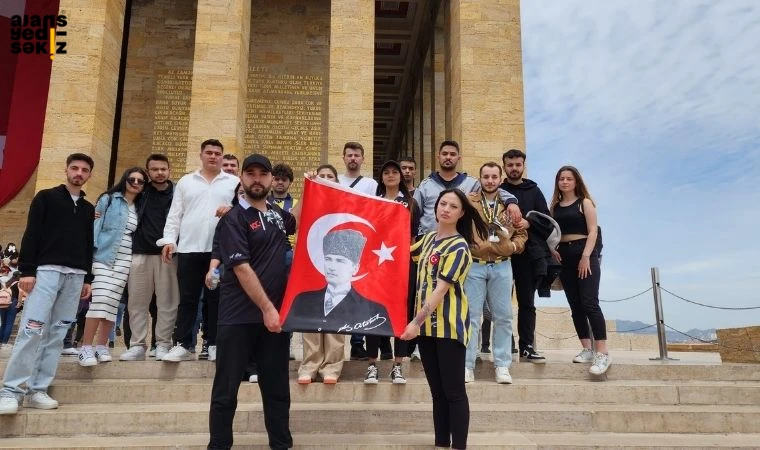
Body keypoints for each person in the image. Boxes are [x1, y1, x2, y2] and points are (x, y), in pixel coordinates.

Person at [208, 154, 294, 450]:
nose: (257, 179)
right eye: (251, 173)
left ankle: (281, 445)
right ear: (241, 178)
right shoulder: (233, 218)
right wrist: (268, 308)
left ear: (272, 179)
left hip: (275, 322)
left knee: (277, 391)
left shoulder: (276, 214)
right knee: (225, 391)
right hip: (238, 318)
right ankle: (219, 445)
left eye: (263, 174)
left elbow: (305, 220)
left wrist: (317, 185)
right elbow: (242, 268)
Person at [0, 153, 95, 415]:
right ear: (66, 170)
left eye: (84, 170)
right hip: (45, 273)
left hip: (75, 276)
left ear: (89, 175)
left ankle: (38, 389)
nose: (78, 173)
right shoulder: (46, 197)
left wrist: (87, 277)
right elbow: (31, 233)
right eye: (74, 168)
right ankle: (10, 391)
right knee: (31, 330)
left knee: (57, 334)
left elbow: (88, 244)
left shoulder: (88, 209)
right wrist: (28, 271)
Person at [400, 188, 488, 450]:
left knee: (454, 393)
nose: (446, 209)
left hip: (449, 328)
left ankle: (459, 446)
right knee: (437, 393)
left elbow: (441, 289)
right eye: (443, 203)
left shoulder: (459, 245)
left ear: (461, 214)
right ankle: (441, 444)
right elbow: (401, 249)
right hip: (426, 329)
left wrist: (414, 322)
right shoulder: (427, 240)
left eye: (453, 206)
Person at [158, 139, 239, 363]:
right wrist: (169, 240)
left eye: (218, 153)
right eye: (209, 153)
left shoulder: (233, 182)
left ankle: (213, 343)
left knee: (216, 299)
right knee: (188, 298)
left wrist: (231, 209)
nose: (213, 157)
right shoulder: (186, 182)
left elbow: (244, 209)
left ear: (223, 157)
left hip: (220, 252)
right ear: (201, 155)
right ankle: (183, 343)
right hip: (189, 248)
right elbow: (175, 214)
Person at [463, 163, 527, 384]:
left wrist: (513, 247)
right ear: (479, 179)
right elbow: (458, 226)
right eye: (486, 177)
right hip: (475, 263)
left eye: (494, 177)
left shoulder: (510, 205)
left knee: (503, 317)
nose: (490, 181)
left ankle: (502, 365)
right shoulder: (469, 201)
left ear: (501, 179)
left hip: (502, 264)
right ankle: (467, 365)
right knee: (470, 317)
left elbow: (521, 233)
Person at [78, 167, 147, 366]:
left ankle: (102, 346)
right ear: (124, 179)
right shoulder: (108, 199)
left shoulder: (140, 206)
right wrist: (88, 258)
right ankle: (85, 347)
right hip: (103, 257)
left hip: (126, 260)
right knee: (100, 300)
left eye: (140, 181)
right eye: (131, 179)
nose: (135, 183)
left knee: (112, 302)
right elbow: (95, 229)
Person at [363, 160, 420, 385]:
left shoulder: (411, 204)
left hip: (402, 264)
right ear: (381, 177)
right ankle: (371, 365)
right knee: (374, 311)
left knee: (402, 313)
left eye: (394, 172)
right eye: (386, 172)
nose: (391, 175)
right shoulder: (373, 202)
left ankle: (398, 365)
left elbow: (414, 237)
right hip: (377, 265)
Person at [550, 166, 610, 376]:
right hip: (564, 255)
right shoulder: (555, 206)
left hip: (584, 253)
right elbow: (553, 232)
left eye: (569, 179)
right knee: (575, 305)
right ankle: (586, 348)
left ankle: (602, 352)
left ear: (576, 182)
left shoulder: (584, 202)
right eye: (561, 179)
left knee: (590, 303)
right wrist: (552, 250)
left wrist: (586, 256)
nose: (565, 182)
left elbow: (593, 230)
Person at [119, 154, 178, 362]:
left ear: (169, 170)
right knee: (137, 302)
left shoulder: (178, 193)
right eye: (154, 169)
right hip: (140, 253)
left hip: (168, 255)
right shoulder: (140, 192)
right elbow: (115, 199)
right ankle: (137, 345)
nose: (159, 173)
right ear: (148, 171)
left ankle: (163, 344)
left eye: (163, 169)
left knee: (167, 303)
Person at [284, 229, 393, 335]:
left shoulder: (372, 308)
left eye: (340, 261)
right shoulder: (303, 300)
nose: (332, 267)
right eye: (328, 259)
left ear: (355, 268)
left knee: (335, 348)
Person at [500, 148, 550, 362]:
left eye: (517, 165)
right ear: (504, 166)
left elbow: (546, 219)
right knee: (496, 304)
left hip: (527, 254)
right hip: (500, 254)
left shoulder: (534, 190)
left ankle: (527, 346)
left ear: (523, 166)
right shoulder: (498, 189)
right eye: (510, 165)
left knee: (527, 303)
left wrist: (529, 223)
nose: (514, 169)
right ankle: (497, 346)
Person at [414, 140, 521, 237]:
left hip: (460, 241)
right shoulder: (425, 185)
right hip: (429, 240)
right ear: (438, 157)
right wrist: (419, 234)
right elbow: (414, 212)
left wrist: (511, 202)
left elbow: (492, 190)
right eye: (444, 154)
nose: (448, 157)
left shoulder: (471, 183)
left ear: (458, 158)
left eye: (452, 154)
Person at [336, 141, 378, 359]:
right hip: (338, 239)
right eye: (349, 155)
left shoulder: (371, 184)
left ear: (363, 159)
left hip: (362, 241)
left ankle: (357, 341)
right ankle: (336, 342)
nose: (353, 158)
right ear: (343, 158)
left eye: (357, 155)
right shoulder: (335, 180)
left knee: (359, 293)